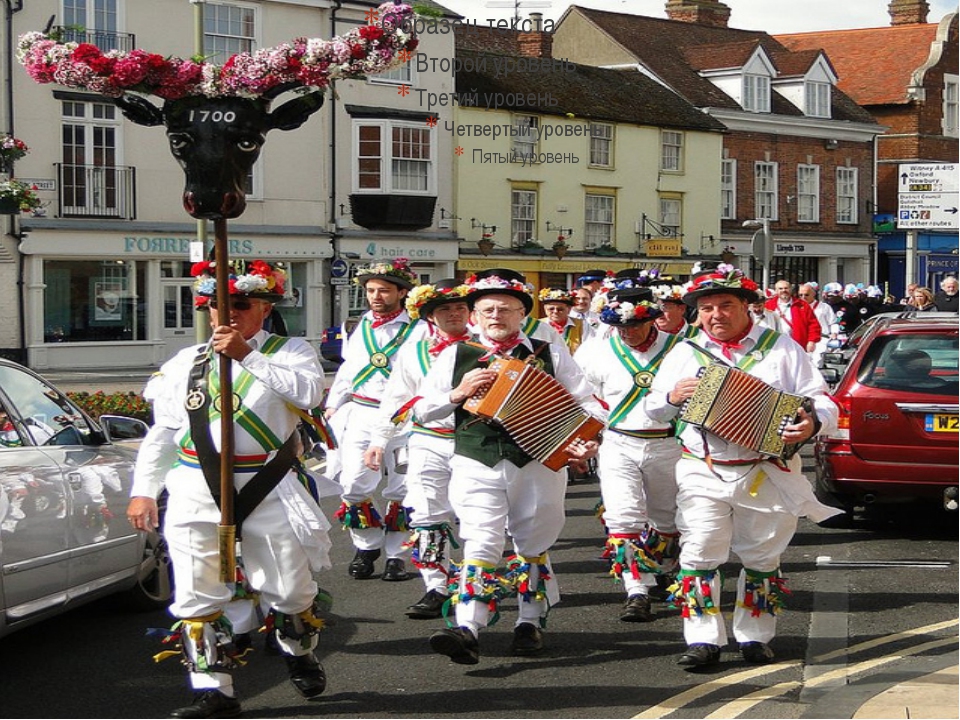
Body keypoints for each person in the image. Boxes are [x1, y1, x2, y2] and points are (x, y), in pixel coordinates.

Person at [127, 259, 332, 718]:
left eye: (241, 304)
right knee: (196, 594)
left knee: (290, 591)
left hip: (268, 485)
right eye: (219, 307)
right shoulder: (186, 362)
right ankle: (213, 688)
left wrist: (247, 356)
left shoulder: (290, 351)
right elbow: (163, 432)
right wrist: (144, 489)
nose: (229, 314)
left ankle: (298, 651)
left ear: (264, 308)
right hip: (193, 486)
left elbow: (308, 395)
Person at [644, 263, 840, 668]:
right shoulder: (684, 352)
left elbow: (821, 400)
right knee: (699, 550)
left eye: (726, 305)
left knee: (762, 555)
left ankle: (755, 636)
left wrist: (811, 422)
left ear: (748, 306)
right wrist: (672, 397)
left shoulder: (781, 347)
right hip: (703, 465)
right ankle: (702, 639)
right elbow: (654, 410)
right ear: (697, 313)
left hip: (765, 468)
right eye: (708, 307)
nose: (717, 315)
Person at [414, 269, 603, 664]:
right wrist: (459, 392)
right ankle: (467, 625)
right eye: (486, 311)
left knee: (533, 541)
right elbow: (422, 410)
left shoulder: (549, 352)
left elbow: (585, 400)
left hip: (539, 461)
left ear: (522, 314)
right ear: (473, 317)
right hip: (475, 458)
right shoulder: (454, 355)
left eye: (505, 309)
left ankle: (529, 620)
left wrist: (588, 437)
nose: (495, 317)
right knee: (479, 539)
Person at [363, 279, 472, 619]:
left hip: (475, 442)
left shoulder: (486, 347)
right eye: (444, 309)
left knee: (476, 518)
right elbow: (395, 398)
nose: (454, 314)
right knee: (426, 514)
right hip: (427, 440)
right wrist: (379, 440)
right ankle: (435, 586)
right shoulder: (414, 349)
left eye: (460, 308)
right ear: (429, 316)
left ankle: (475, 581)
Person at [575, 286, 682, 624]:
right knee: (623, 519)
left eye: (636, 325)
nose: (629, 333)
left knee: (666, 519)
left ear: (653, 319)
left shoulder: (680, 350)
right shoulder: (595, 353)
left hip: (669, 445)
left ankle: (665, 567)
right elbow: (582, 399)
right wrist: (593, 433)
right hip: (618, 443)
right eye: (621, 327)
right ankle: (637, 590)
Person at [324, 259, 424, 581]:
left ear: (402, 293)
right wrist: (333, 404)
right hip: (362, 412)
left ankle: (396, 555)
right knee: (352, 483)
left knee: (403, 487)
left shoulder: (420, 328)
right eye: (370, 291)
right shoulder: (357, 326)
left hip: (403, 417)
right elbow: (348, 368)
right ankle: (367, 544)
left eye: (383, 290)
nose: (376, 296)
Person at [765, 280, 820, 352]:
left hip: (797, 345)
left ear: (791, 289)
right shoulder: (768, 305)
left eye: (786, 288)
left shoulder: (802, 305)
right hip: (775, 345)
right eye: (780, 288)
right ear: (776, 291)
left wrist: (812, 341)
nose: (784, 290)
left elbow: (813, 324)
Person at [539, 287, 590, 353]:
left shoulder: (582, 325)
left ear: (569, 309)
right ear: (545, 309)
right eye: (551, 309)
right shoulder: (537, 325)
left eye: (560, 309)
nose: (555, 311)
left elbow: (588, 349)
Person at [798, 283, 837, 365]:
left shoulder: (824, 307)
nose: (803, 297)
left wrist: (834, 334)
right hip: (802, 340)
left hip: (821, 340)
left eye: (806, 295)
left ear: (813, 294)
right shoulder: (796, 308)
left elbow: (833, 323)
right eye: (800, 295)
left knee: (816, 363)